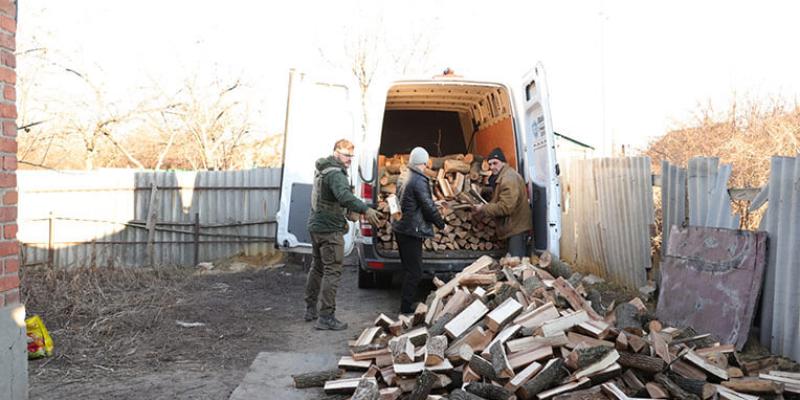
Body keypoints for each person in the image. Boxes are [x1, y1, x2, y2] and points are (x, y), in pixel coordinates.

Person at [305, 139, 381, 330]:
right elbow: (344, 196)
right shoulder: (336, 174)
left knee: (317, 268)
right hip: (330, 231)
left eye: (350, 156)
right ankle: (326, 317)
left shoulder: (323, 170)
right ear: (336, 152)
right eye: (346, 155)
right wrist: (366, 210)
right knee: (333, 271)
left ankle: (310, 309)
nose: (349, 159)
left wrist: (347, 210)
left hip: (316, 226)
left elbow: (330, 198)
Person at [392, 147, 445, 314]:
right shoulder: (418, 179)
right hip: (411, 230)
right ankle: (406, 308)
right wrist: (440, 223)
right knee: (415, 271)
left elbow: (411, 201)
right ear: (424, 162)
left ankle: (406, 304)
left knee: (409, 269)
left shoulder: (404, 175)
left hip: (401, 227)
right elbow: (427, 206)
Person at [473, 147, 532, 257]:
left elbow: (506, 207)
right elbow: (500, 197)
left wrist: (483, 208)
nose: (492, 167)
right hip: (512, 228)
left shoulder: (508, 179)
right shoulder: (503, 177)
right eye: (490, 164)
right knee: (511, 264)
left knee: (516, 265)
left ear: (503, 162)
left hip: (516, 230)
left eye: (495, 163)